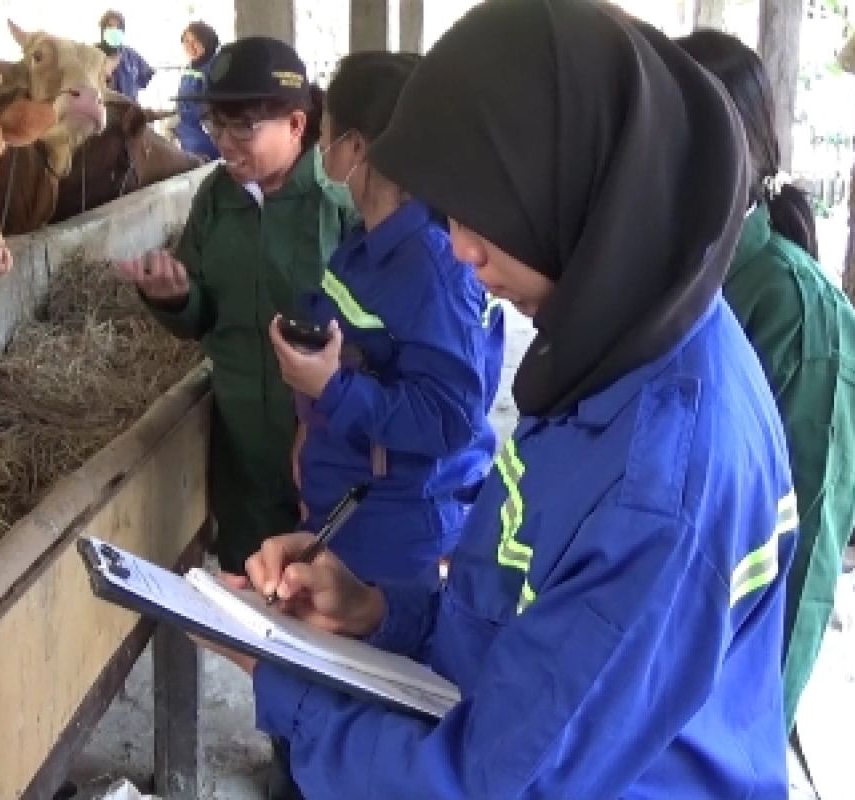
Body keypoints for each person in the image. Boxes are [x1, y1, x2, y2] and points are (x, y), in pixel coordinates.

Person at [208, 1, 800, 797]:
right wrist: (382, 612)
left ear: (584, 189)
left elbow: (493, 784)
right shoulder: (624, 333)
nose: (460, 248)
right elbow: (527, 605)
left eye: (492, 213)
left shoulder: (657, 483)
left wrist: (285, 681)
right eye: (449, 211)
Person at [678, 28, 855, 729]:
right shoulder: (682, 275)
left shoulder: (802, 325)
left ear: (726, 148)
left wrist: (746, 744)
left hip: (720, 700)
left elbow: (798, 580)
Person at [113, 37, 355, 581]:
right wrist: (174, 297)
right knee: (251, 589)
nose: (224, 143)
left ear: (296, 125)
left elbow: (376, 330)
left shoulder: (339, 203)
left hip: (325, 443)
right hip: (241, 443)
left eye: (243, 127)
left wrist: (325, 414)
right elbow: (200, 316)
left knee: (325, 595)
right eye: (217, 125)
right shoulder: (215, 199)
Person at [269, 51, 505, 589]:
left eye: (326, 136)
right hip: (348, 508)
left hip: (394, 530)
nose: (321, 153)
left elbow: (449, 417)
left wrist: (331, 389)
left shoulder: (432, 267)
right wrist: (310, 426)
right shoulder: (364, 244)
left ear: (357, 146)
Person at [175, 21, 221, 160]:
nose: (190, 46)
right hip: (189, 140)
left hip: (209, 142)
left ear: (207, 42)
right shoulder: (190, 68)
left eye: (196, 41)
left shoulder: (216, 68)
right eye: (186, 42)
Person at [98, 9, 154, 102]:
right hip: (103, 110)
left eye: (118, 27)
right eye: (110, 26)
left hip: (129, 110)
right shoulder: (93, 54)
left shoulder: (131, 55)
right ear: (103, 30)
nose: (114, 30)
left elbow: (146, 75)